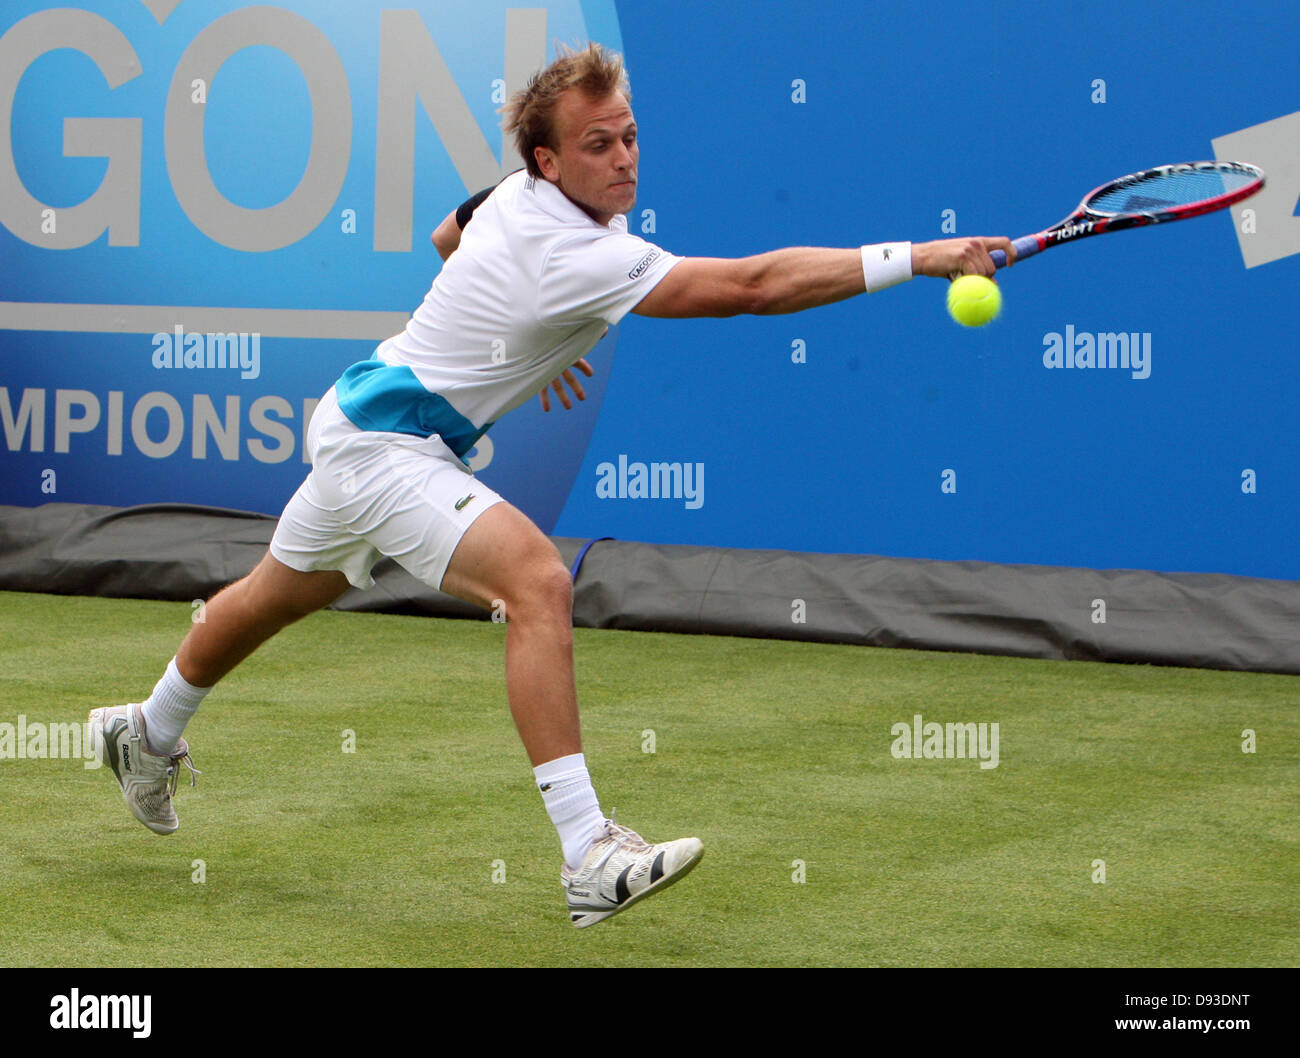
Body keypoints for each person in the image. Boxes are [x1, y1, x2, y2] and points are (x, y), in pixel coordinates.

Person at [88, 42, 1014, 928]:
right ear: (548, 158)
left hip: (364, 418)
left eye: (630, 136)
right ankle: (588, 855)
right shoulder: (583, 255)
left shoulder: (518, 197)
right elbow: (753, 287)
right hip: (385, 447)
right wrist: (923, 257)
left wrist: (529, 333)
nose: (623, 160)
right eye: (597, 145)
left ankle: (146, 729)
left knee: (265, 601)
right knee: (539, 581)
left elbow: (452, 232)